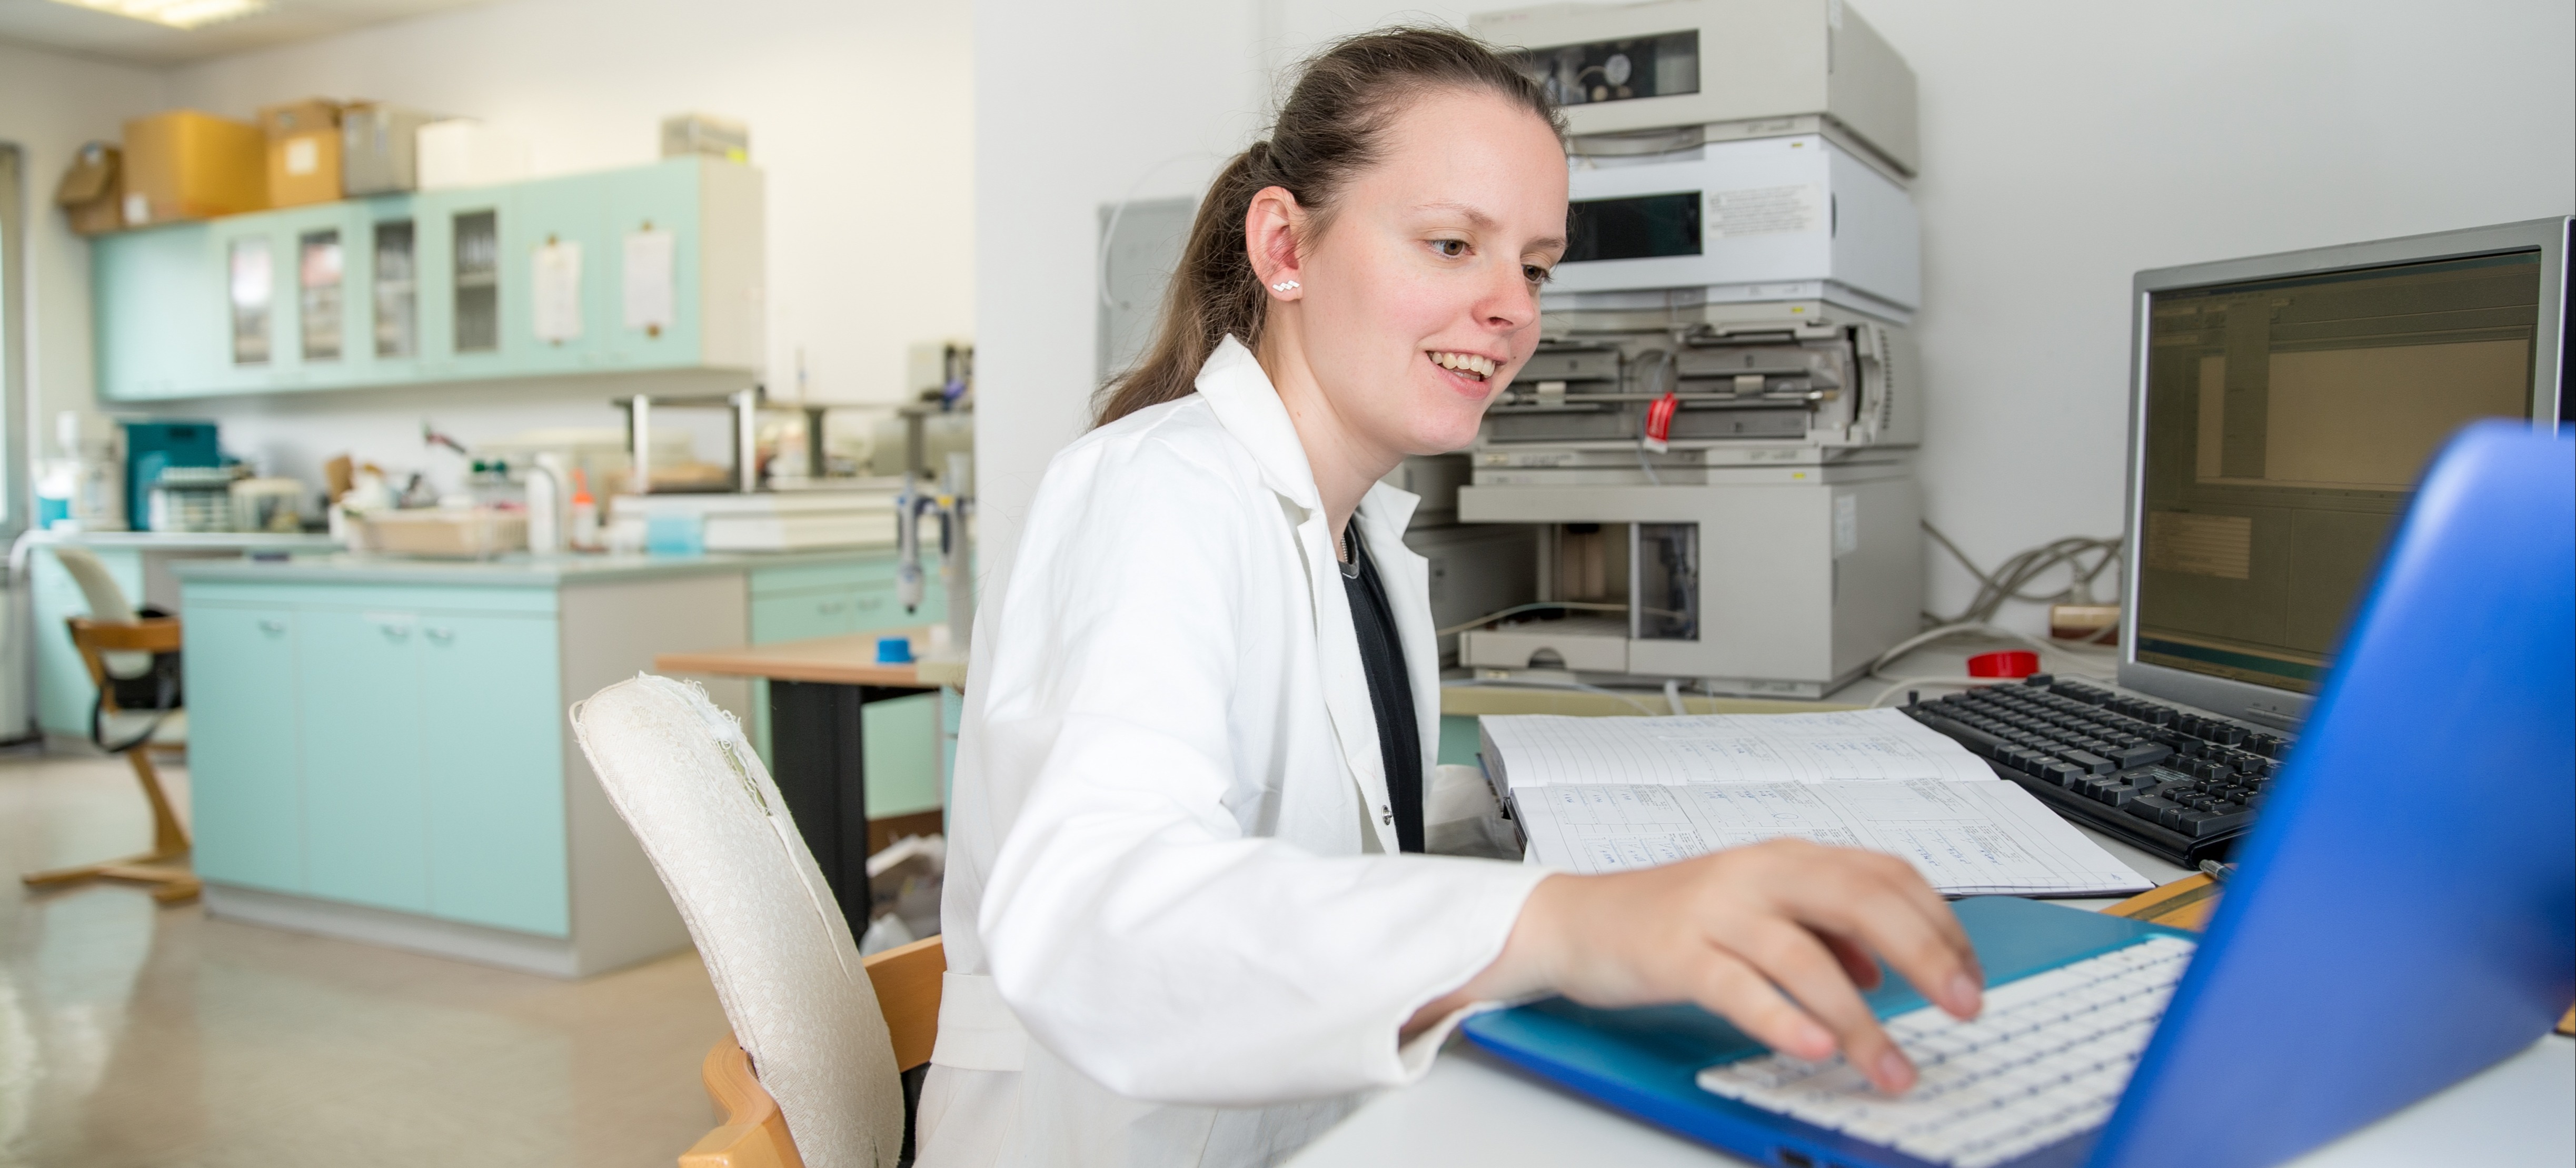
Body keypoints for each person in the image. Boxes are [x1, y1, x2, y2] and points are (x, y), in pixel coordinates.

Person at [916, 27, 1985, 1168]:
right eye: (1447, 243)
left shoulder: (1358, 533)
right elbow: (1100, 922)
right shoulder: (1155, 492)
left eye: (1530, 266)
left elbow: (1318, 811)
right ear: (1283, 245)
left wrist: (1581, 825)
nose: (1510, 309)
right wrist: (1569, 923)